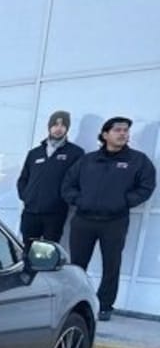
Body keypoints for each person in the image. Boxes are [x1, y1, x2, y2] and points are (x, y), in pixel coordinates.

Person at [62, 116, 156, 320]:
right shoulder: (88, 160)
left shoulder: (137, 160)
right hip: (83, 220)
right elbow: (68, 185)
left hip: (114, 221)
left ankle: (104, 306)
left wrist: (123, 201)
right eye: (118, 130)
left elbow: (146, 186)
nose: (123, 134)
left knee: (111, 264)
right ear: (105, 135)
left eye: (126, 130)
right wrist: (80, 200)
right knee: (77, 265)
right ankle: (76, 302)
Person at [16, 110, 83, 246]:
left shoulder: (75, 153)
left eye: (63, 125)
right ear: (49, 127)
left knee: (49, 252)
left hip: (54, 213)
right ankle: (28, 268)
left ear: (67, 128)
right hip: (30, 211)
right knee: (27, 250)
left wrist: (62, 199)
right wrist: (26, 196)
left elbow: (77, 181)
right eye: (55, 124)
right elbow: (23, 179)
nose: (58, 128)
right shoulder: (35, 153)